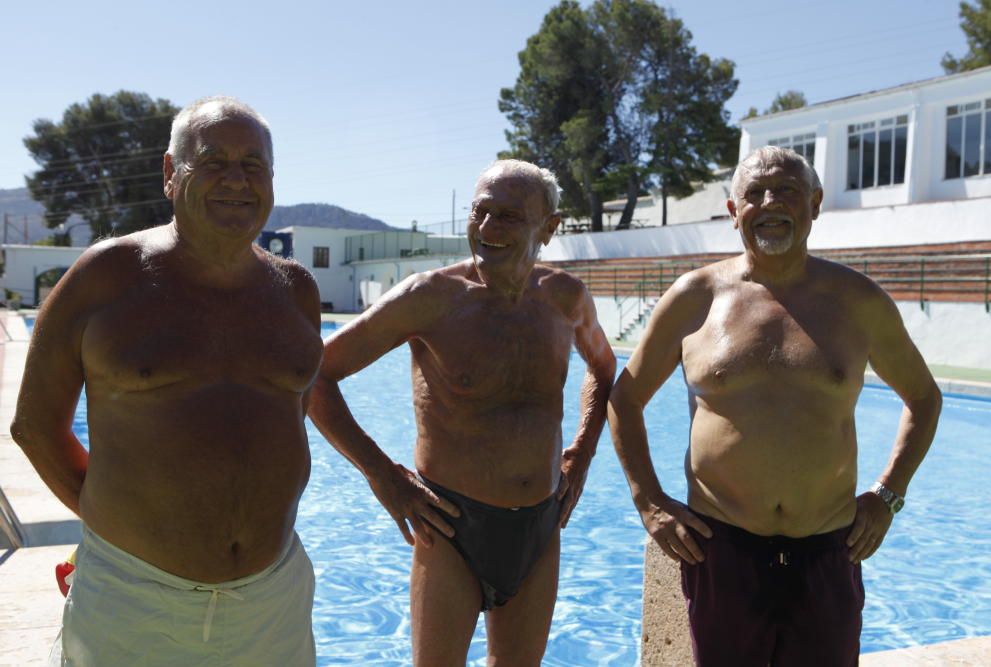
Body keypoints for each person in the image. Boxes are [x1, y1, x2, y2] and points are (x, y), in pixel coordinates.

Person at [11, 96, 322, 666]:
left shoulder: (295, 290)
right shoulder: (106, 277)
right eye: (212, 161)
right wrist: (122, 527)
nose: (236, 179)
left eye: (254, 164)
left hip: (272, 601)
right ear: (169, 174)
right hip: (133, 600)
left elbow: (281, 421)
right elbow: (34, 425)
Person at [608, 146, 942, 666]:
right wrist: (649, 502)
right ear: (732, 210)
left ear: (815, 203)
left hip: (828, 547)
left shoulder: (858, 301)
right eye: (754, 194)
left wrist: (887, 496)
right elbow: (625, 399)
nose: (770, 202)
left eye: (786, 189)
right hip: (722, 550)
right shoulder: (694, 297)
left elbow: (923, 397)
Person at [308, 159, 616, 667]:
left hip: (539, 524)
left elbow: (605, 372)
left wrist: (580, 454)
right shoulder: (431, 298)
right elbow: (317, 375)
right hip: (449, 526)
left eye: (510, 216)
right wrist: (382, 476)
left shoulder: (565, 299)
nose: (489, 229)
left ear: (550, 227)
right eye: (481, 212)